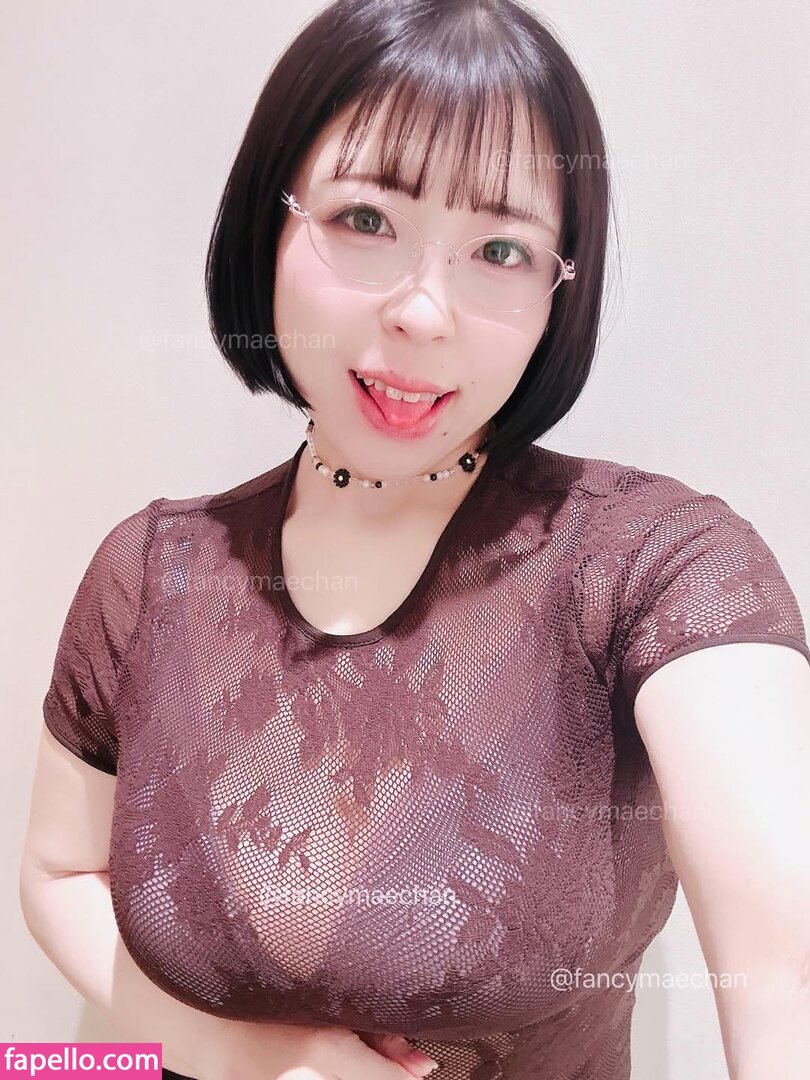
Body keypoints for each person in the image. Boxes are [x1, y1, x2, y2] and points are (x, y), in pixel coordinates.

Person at [23, 1, 810, 1078]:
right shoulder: (151, 570)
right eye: (364, 219)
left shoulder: (655, 563)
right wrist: (259, 1056)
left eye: (501, 248)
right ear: (269, 222)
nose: (424, 313)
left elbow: (784, 966)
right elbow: (60, 875)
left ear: (559, 290)